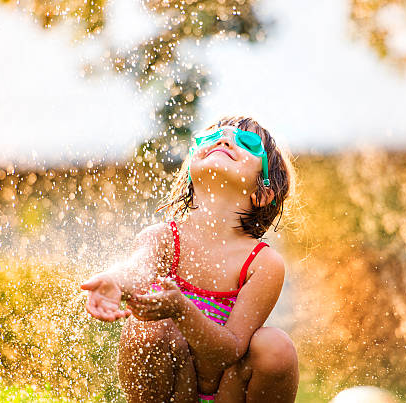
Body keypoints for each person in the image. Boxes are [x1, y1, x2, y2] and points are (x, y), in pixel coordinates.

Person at [81, 116, 299, 402]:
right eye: (211, 137)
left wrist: (182, 310)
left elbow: (230, 350)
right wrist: (115, 281)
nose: (223, 140)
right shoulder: (164, 238)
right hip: (171, 389)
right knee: (147, 328)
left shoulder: (262, 262)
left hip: (226, 392)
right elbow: (139, 269)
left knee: (276, 346)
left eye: (247, 142)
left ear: (261, 193)